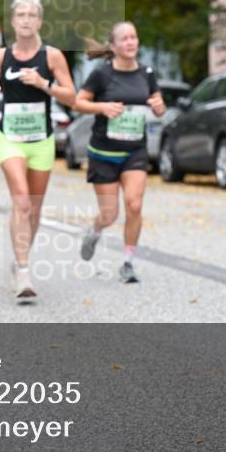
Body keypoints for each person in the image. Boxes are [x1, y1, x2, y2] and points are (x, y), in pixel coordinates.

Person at [0, 0, 75, 299]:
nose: (25, 19)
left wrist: (43, 84)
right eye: (20, 14)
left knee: (33, 208)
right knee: (21, 200)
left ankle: (22, 256)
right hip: (10, 138)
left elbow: (72, 97)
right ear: (12, 21)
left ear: (40, 21)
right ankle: (23, 269)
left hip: (42, 141)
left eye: (31, 14)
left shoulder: (53, 57)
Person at [75, 22, 165, 284]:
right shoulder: (102, 75)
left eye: (134, 37)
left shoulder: (147, 73)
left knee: (135, 205)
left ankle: (127, 262)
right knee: (110, 214)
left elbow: (159, 108)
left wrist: (159, 107)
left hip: (135, 150)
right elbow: (78, 102)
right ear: (113, 46)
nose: (130, 42)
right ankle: (94, 230)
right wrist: (103, 107)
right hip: (103, 152)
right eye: (124, 38)